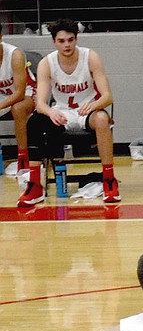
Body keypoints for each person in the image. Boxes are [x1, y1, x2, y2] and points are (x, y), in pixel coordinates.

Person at [23, 19, 119, 206]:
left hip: (87, 111)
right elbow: (40, 104)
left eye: (70, 40)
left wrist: (94, 105)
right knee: (34, 122)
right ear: (54, 42)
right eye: (61, 41)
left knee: (102, 119)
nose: (66, 45)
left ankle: (109, 179)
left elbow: (108, 97)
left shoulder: (90, 57)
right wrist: (50, 112)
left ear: (76, 39)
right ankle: (34, 185)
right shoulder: (46, 63)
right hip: (61, 113)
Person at [0, 26, 36, 178]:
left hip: (27, 92)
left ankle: (23, 157)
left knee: (18, 108)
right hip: (3, 94)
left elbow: (19, 93)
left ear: (0, 37)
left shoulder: (15, 55)